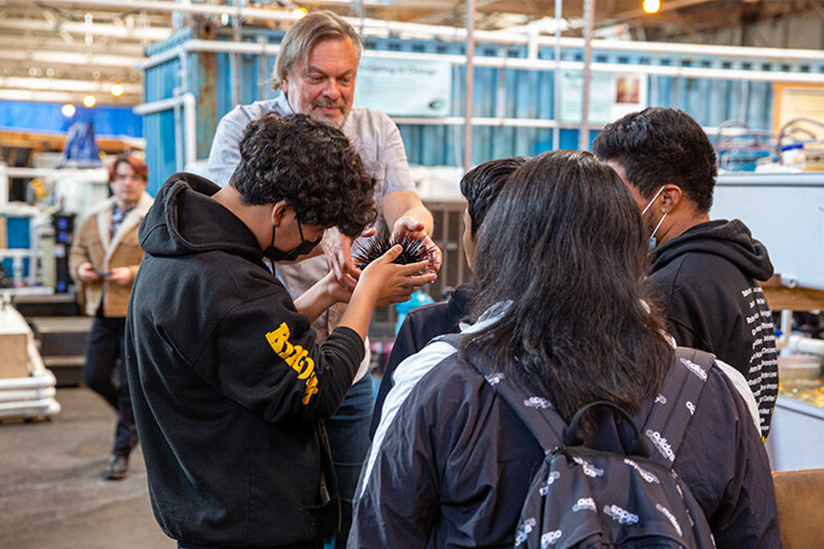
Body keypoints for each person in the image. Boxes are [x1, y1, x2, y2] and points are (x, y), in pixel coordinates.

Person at [351, 150, 779, 548]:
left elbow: (378, 534)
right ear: (633, 250)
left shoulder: (440, 381)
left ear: (501, 246)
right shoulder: (720, 391)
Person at [125, 113, 436, 549]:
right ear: (282, 212)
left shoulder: (184, 244)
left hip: (211, 504)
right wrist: (365, 297)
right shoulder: (228, 282)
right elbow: (318, 387)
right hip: (249, 523)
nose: (314, 245)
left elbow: (247, 342)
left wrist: (329, 291)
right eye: (314, 231)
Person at [206, 11, 441, 545]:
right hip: (271, 362)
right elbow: (234, 235)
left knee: (355, 501)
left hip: (348, 365)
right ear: (284, 76)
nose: (332, 92)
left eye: (345, 78)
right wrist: (323, 233)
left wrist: (412, 223)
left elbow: (404, 199)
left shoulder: (376, 129)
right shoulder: (245, 129)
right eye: (317, 77)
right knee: (279, 509)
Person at [592, 107, 778, 439]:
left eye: (619, 193)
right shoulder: (730, 264)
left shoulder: (674, 289)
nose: (610, 206)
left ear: (667, 199)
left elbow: (654, 426)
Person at [369, 156, 526, 438]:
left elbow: (386, 434)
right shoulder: (584, 330)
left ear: (481, 237)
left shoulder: (429, 328)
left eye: (466, 224)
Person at [69, 153, 152, 480]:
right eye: (120, 176)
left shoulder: (153, 214)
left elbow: (166, 259)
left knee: (132, 386)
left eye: (132, 177)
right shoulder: (96, 216)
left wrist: (132, 272)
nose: (126, 183)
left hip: (135, 311)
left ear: (143, 181)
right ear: (111, 180)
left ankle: (121, 452)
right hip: (103, 308)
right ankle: (134, 418)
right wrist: (80, 268)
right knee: (94, 375)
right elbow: (78, 250)